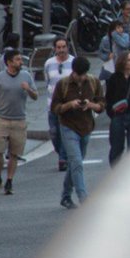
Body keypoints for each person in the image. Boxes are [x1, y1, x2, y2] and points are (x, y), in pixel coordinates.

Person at [51, 56, 105, 209]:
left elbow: (102, 104)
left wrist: (91, 105)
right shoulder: (63, 84)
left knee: (76, 163)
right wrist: (69, 105)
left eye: (83, 75)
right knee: (76, 161)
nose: (81, 78)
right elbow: (55, 108)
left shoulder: (93, 82)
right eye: (78, 75)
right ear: (73, 72)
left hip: (86, 126)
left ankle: (65, 195)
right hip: (68, 126)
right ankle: (83, 197)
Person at [0, 48, 38, 196]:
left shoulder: (26, 76)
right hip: (2, 119)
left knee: (14, 154)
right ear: (9, 62)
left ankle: (9, 180)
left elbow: (36, 96)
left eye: (20, 59)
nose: (21, 62)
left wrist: (29, 90)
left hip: (19, 120)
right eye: (18, 59)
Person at [43, 37, 76, 172]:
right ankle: (62, 152)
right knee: (54, 133)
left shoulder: (73, 62)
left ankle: (63, 158)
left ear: (67, 47)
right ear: (55, 49)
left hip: (68, 106)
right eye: (59, 47)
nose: (61, 50)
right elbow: (47, 82)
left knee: (65, 132)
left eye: (63, 47)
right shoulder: (49, 63)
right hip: (53, 105)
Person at [105, 51, 130, 166]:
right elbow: (109, 97)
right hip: (118, 116)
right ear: (123, 62)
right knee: (117, 147)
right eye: (129, 60)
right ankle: (115, 172)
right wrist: (112, 113)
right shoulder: (114, 78)